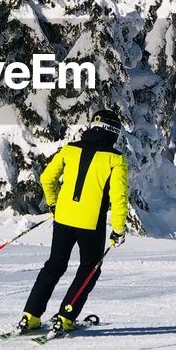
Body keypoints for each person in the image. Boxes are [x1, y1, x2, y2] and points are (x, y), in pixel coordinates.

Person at [16, 108, 129, 335]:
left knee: (54, 265)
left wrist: (54, 203)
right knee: (89, 269)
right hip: (90, 223)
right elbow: (119, 198)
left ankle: (30, 316)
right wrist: (118, 230)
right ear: (113, 132)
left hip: (64, 219)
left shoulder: (70, 150)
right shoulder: (116, 159)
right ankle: (66, 317)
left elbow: (47, 178)